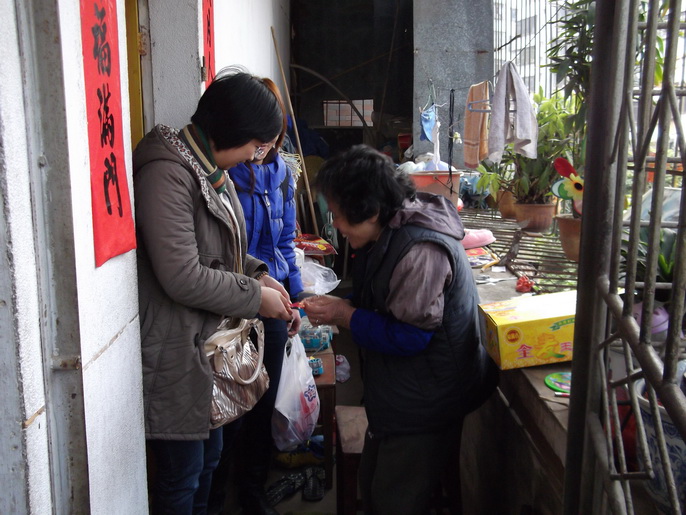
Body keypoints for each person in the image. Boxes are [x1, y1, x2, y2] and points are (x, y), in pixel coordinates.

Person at [302, 144, 498, 515]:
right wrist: (340, 308)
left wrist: (346, 315)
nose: (337, 226)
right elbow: (382, 299)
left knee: (394, 499)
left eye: (340, 217)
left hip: (429, 398)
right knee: (374, 485)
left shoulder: (420, 250)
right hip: (401, 391)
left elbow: (411, 336)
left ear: (372, 210)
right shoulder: (387, 230)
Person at [133, 69, 294, 514]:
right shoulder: (167, 172)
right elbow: (183, 274)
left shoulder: (205, 166)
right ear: (235, 131)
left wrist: (259, 275)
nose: (255, 158)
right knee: (181, 478)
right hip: (175, 349)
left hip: (204, 345)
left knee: (208, 461)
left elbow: (222, 249)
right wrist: (253, 297)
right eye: (256, 146)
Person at [207, 79, 304, 515]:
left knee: (264, 402)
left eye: (272, 139)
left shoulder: (283, 173)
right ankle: (220, 492)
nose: (262, 150)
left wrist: (295, 297)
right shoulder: (224, 172)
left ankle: (252, 490)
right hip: (231, 303)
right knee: (228, 408)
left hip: (273, 298)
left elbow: (285, 242)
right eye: (258, 141)